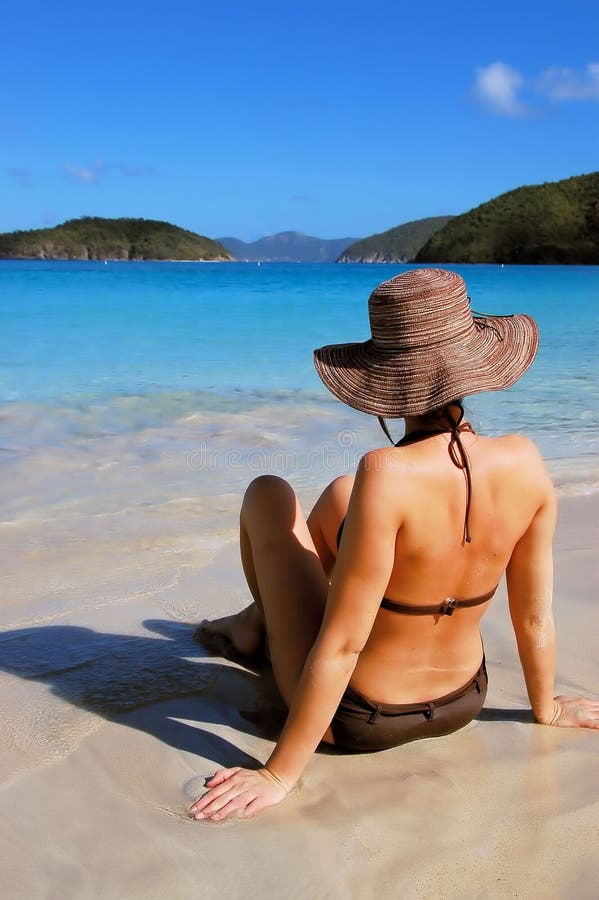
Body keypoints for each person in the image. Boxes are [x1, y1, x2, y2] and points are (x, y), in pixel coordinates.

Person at [190, 268, 598, 822]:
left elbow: (343, 644)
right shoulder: (526, 461)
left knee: (268, 492)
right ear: (474, 368)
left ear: (385, 383)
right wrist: (545, 708)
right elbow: (533, 618)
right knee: (341, 496)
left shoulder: (387, 472)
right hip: (465, 698)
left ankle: (252, 627)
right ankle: (252, 622)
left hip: (359, 718)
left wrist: (278, 774)